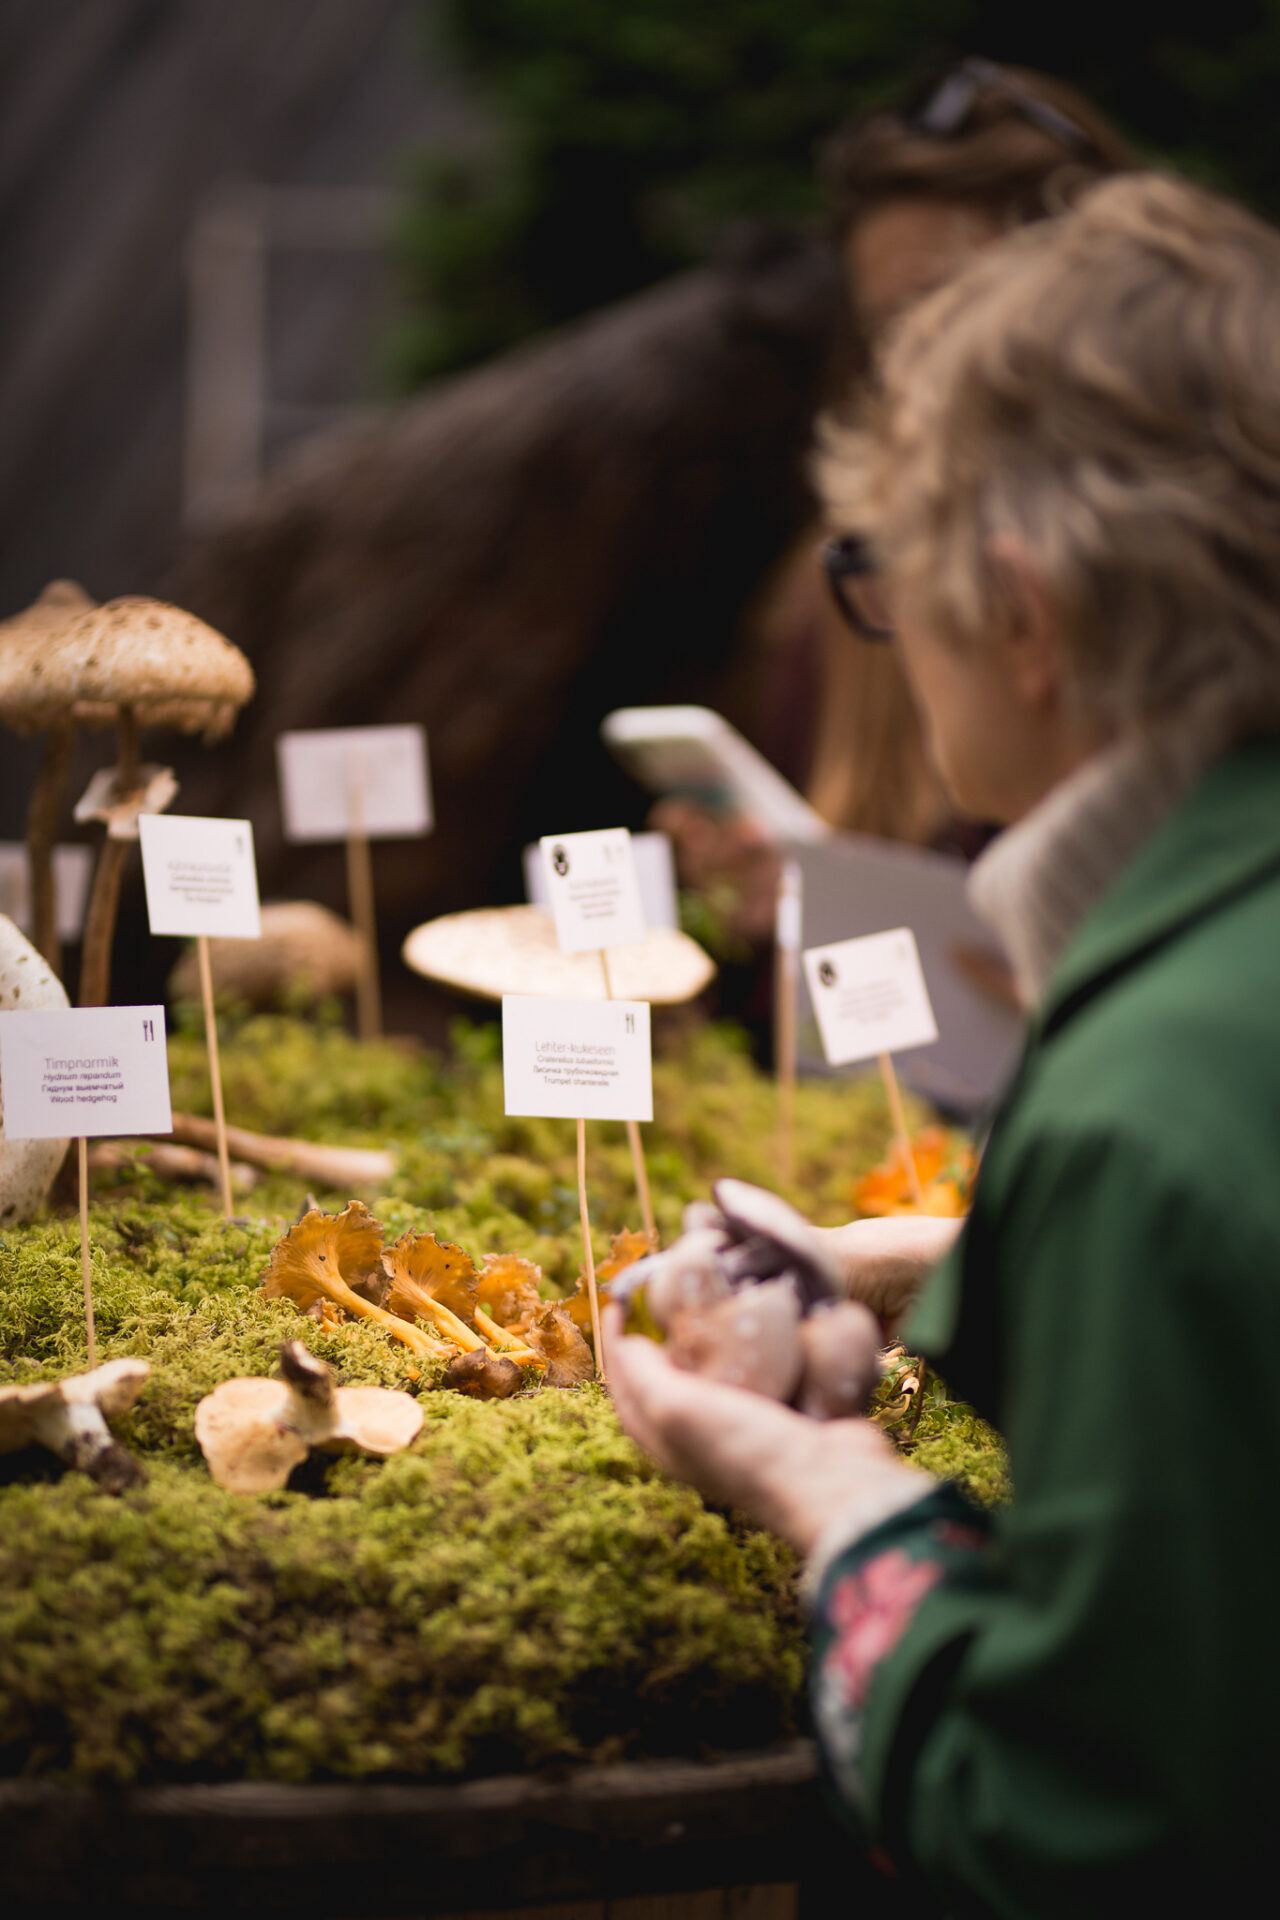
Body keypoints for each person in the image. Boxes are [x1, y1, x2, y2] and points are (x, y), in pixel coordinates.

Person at [606, 171, 1280, 1909]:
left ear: (1025, 610)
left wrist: (835, 1503)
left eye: (883, 578)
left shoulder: (1149, 1108)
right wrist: (989, 1252)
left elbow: (1088, 1829)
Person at [658, 60, 1139, 958]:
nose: (926, 366)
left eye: (966, 308)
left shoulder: (1207, 589)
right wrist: (783, 917)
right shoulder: (845, 595)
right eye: (896, 329)